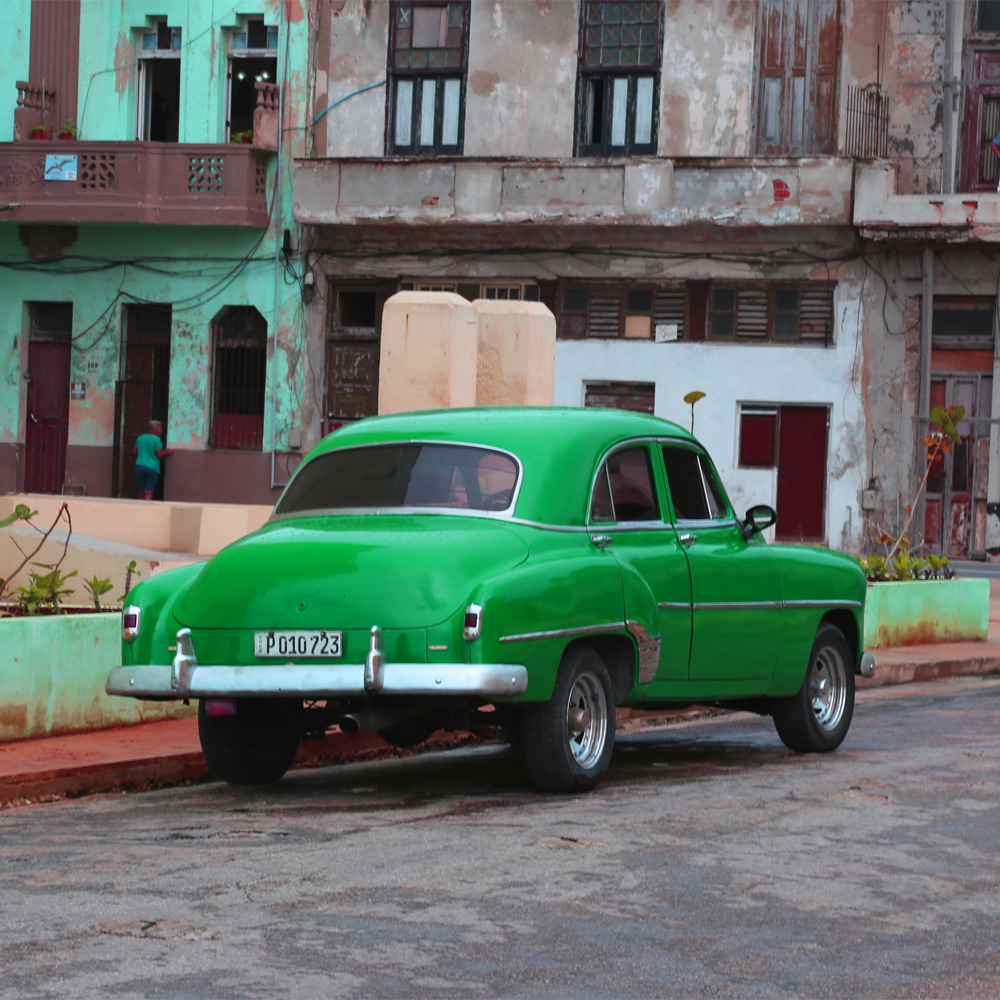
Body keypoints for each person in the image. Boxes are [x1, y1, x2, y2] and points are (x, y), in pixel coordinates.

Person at [133, 420, 173, 500]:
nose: (161, 431)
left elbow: (134, 452)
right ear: (155, 429)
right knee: (148, 492)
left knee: (141, 492)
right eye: (160, 428)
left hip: (140, 467)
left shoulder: (140, 438)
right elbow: (159, 454)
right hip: (152, 468)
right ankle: (147, 510)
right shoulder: (156, 440)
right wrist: (166, 451)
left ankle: (140, 509)